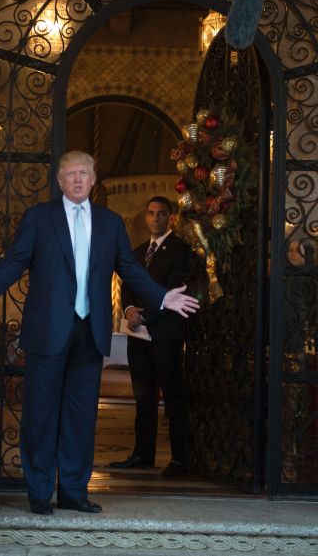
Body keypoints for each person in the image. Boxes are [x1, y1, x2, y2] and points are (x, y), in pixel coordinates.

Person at [0, 151, 199, 516]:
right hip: (48, 332)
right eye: (70, 173)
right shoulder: (39, 218)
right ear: (59, 180)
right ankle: (39, 491)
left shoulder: (110, 223)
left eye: (83, 173)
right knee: (40, 415)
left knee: (80, 417)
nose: (77, 179)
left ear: (93, 179)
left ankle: (73, 491)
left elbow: (130, 270)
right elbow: (16, 260)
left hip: (90, 332)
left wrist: (163, 297)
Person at [110, 196, 191, 477]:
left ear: (171, 218)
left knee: (172, 397)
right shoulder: (139, 251)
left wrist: (146, 315)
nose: (155, 218)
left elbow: (176, 289)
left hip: (165, 334)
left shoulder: (181, 250)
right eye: (150, 213)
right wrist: (130, 309)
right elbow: (127, 283)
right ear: (145, 217)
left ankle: (180, 459)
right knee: (142, 396)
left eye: (161, 214)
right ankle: (143, 454)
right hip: (138, 335)